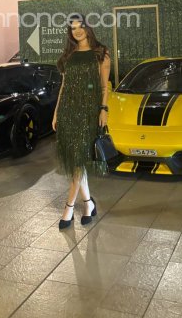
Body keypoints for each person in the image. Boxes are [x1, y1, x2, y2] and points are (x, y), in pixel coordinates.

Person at [52, 14, 111, 230]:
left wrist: (103, 109)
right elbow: (64, 86)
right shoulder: (69, 55)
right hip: (68, 111)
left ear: (88, 28)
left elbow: (104, 86)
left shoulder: (101, 53)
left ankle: (68, 208)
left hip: (89, 112)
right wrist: (56, 113)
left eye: (80, 26)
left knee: (78, 159)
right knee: (78, 159)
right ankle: (88, 204)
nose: (77, 31)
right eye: (73, 28)